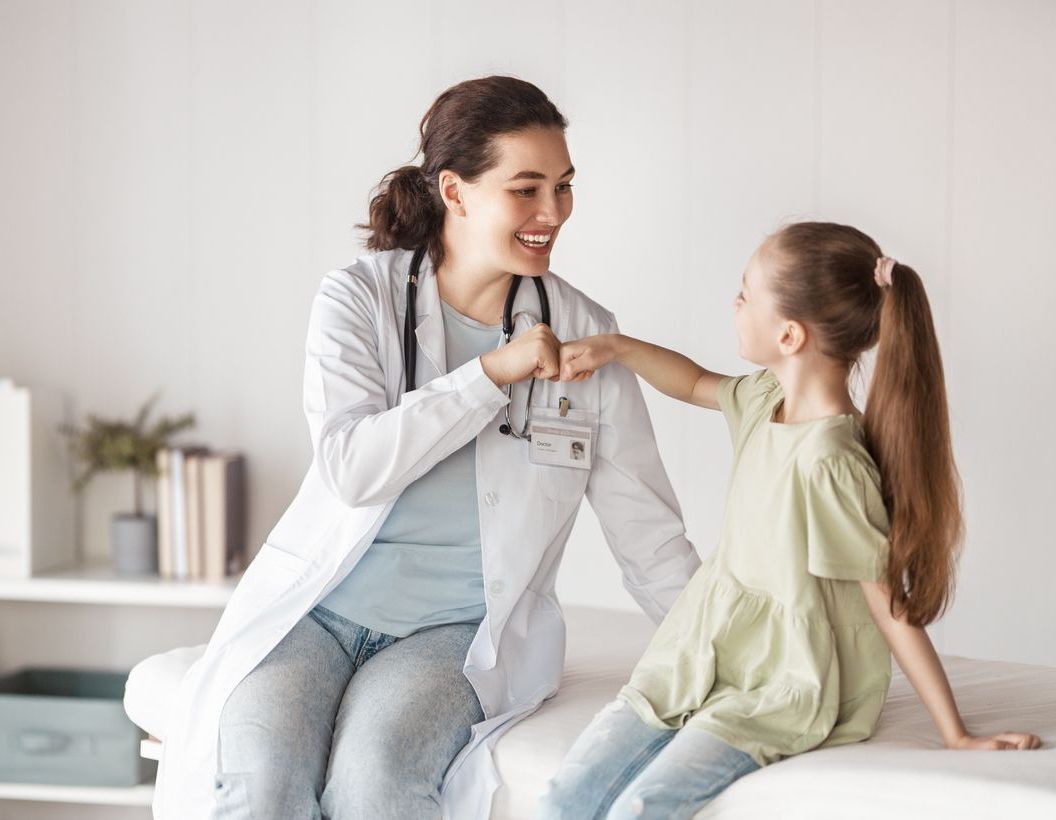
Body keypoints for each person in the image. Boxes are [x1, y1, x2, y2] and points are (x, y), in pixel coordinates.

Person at [151, 75, 700, 820]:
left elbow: (650, 538)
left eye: (564, 187)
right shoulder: (358, 298)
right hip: (319, 613)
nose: (553, 213)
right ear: (454, 191)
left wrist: (731, 661)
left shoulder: (584, 333)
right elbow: (352, 469)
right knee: (261, 780)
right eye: (527, 189)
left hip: (455, 633)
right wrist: (489, 375)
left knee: (375, 779)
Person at [538, 221, 1043, 820]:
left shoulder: (831, 461)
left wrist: (954, 732)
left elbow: (886, 602)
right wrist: (616, 347)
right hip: (699, 653)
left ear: (789, 334)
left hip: (782, 679)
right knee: (565, 797)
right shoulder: (762, 400)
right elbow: (693, 382)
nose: (734, 303)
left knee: (642, 807)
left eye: (745, 293)